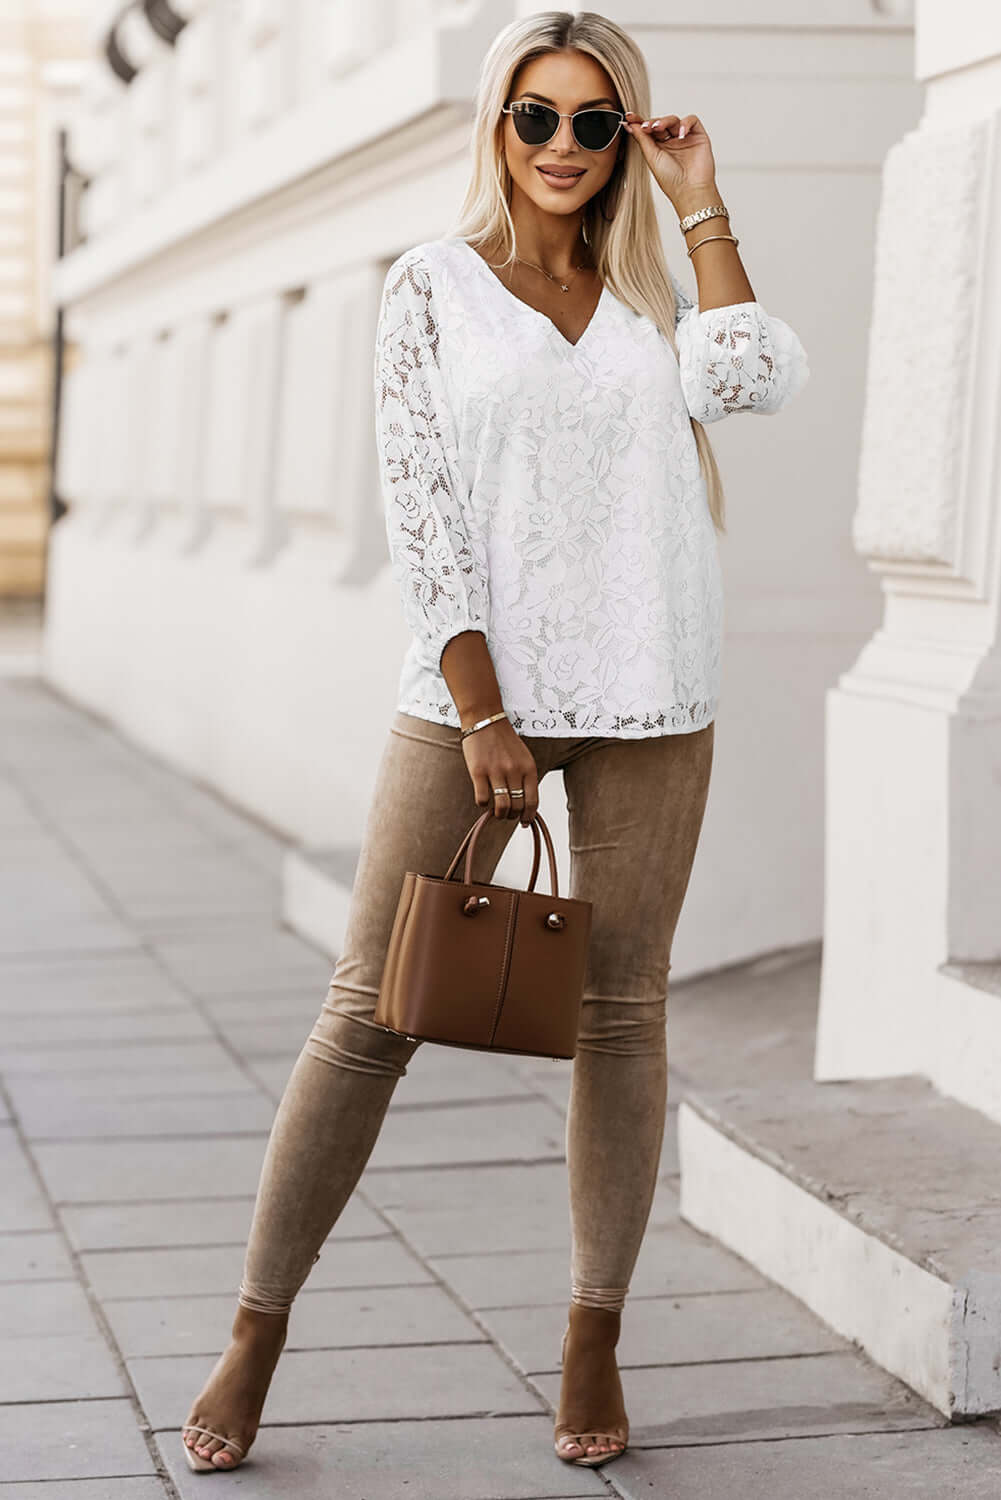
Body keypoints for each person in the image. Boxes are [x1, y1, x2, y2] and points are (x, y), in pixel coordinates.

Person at [181, 7, 808, 1476]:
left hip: (659, 695)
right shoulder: (432, 287)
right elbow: (419, 505)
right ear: (495, 124)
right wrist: (481, 709)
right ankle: (256, 1332)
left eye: (596, 123)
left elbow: (754, 382)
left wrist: (697, 197)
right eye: (538, 116)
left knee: (620, 1012)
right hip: (475, 699)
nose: (564, 148)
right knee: (368, 1014)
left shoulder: (657, 300)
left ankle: (592, 1327)